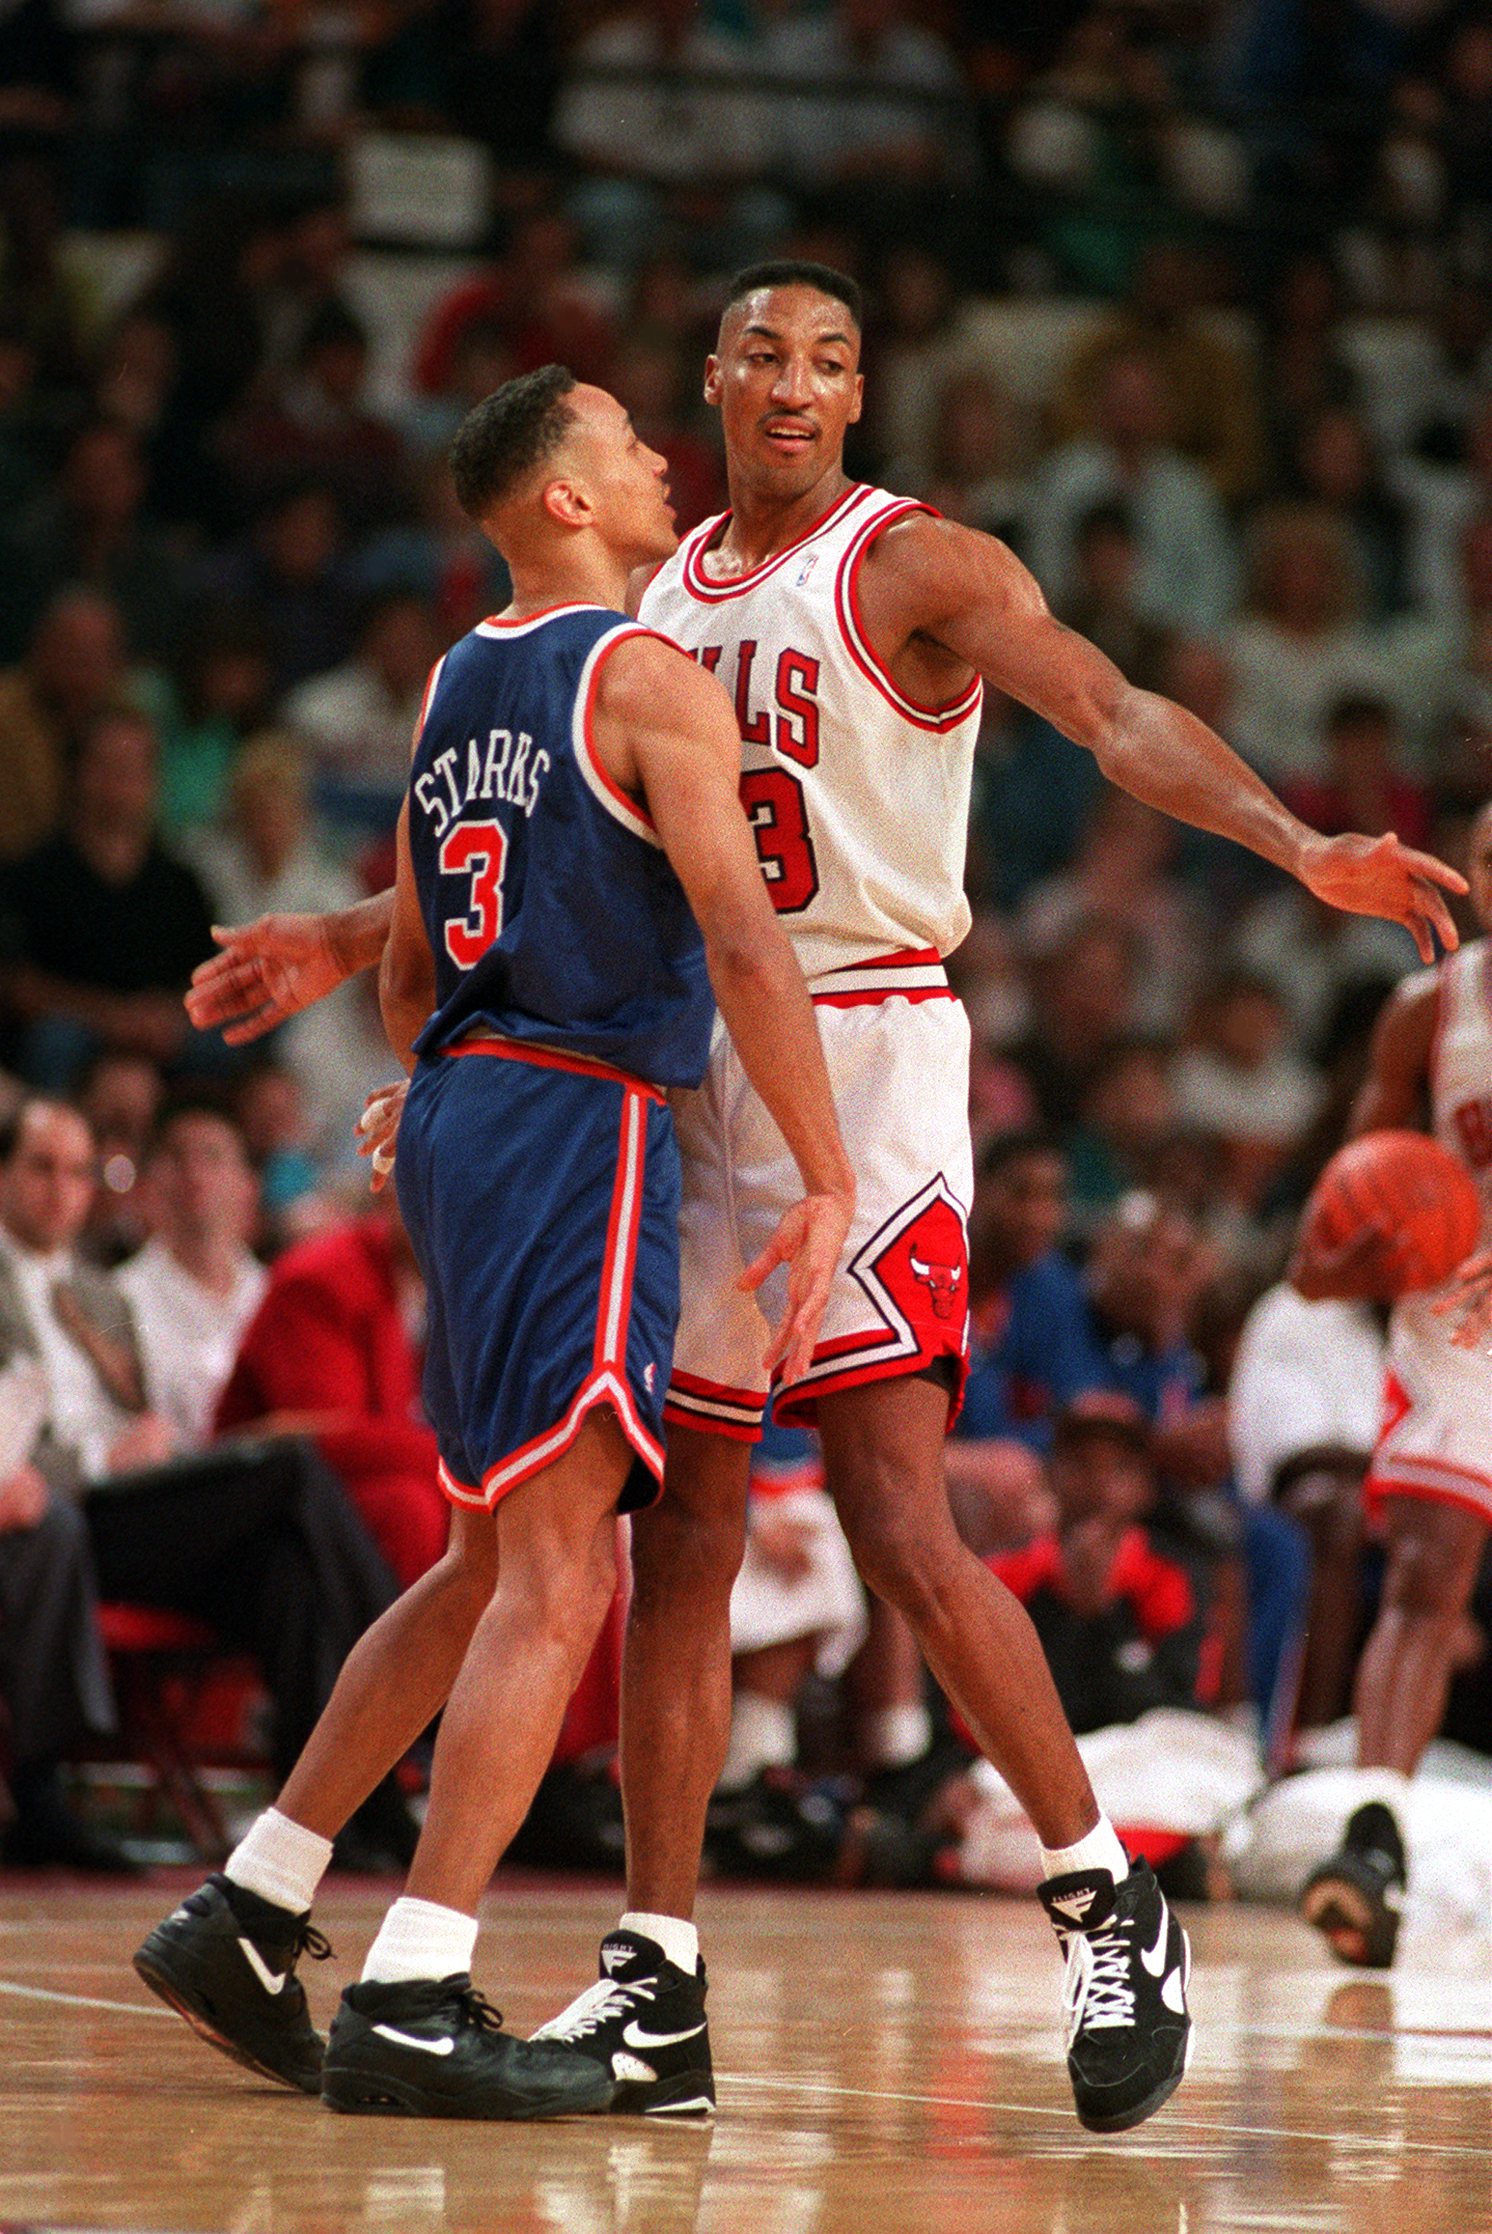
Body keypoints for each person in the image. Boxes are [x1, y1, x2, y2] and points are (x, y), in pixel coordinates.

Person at [182, 267, 1464, 2135]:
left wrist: (1295, 842)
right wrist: (347, 930)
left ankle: (1109, 1899)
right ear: (710, 382)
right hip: (702, 1061)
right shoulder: (648, 600)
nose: (795, 384)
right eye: (763, 353)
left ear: (861, 396)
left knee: (891, 1502)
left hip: (864, 1058)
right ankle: (655, 1979)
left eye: (832, 359)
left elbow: (1110, 710)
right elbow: (604, 843)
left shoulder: (915, 563)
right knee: (681, 1529)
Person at [133, 366, 854, 2122]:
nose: (658, 456)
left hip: (468, 1104)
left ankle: (254, 1902)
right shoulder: (644, 675)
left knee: (478, 1559)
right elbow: (747, 945)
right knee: (558, 1574)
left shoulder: (459, 678)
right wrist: (826, 1175)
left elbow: (402, 972)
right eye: (624, 439)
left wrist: (437, 1083)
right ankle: (418, 1979)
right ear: (559, 498)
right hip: (576, 1116)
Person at [1290, 796, 1492, 1967]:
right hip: (1455, 1317)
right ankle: (1373, 1833)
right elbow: (1319, 1257)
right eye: (1483, 858)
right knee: (1423, 1573)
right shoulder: (1431, 1008)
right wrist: (1348, 1259)